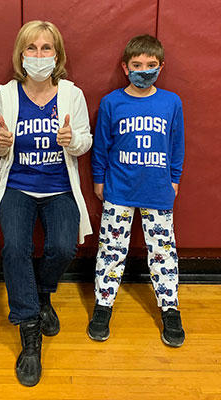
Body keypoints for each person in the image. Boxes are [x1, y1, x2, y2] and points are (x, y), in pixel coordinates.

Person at [0, 20, 92, 386]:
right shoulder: (6, 94)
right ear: (20, 55)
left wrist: (71, 139)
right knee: (15, 247)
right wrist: (1, 140)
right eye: (31, 49)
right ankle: (30, 330)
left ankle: (42, 292)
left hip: (59, 187)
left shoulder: (71, 94)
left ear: (57, 55)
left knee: (64, 247)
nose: (38, 55)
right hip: (17, 185)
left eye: (46, 48)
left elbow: (85, 142)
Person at [89, 34, 185, 347]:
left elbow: (176, 143)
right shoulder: (111, 102)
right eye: (137, 65)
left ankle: (170, 309)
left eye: (151, 65)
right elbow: (101, 145)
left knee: (163, 253)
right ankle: (103, 306)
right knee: (111, 252)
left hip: (158, 191)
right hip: (119, 190)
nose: (144, 69)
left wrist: (174, 178)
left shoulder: (171, 102)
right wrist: (98, 179)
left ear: (161, 67)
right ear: (125, 67)